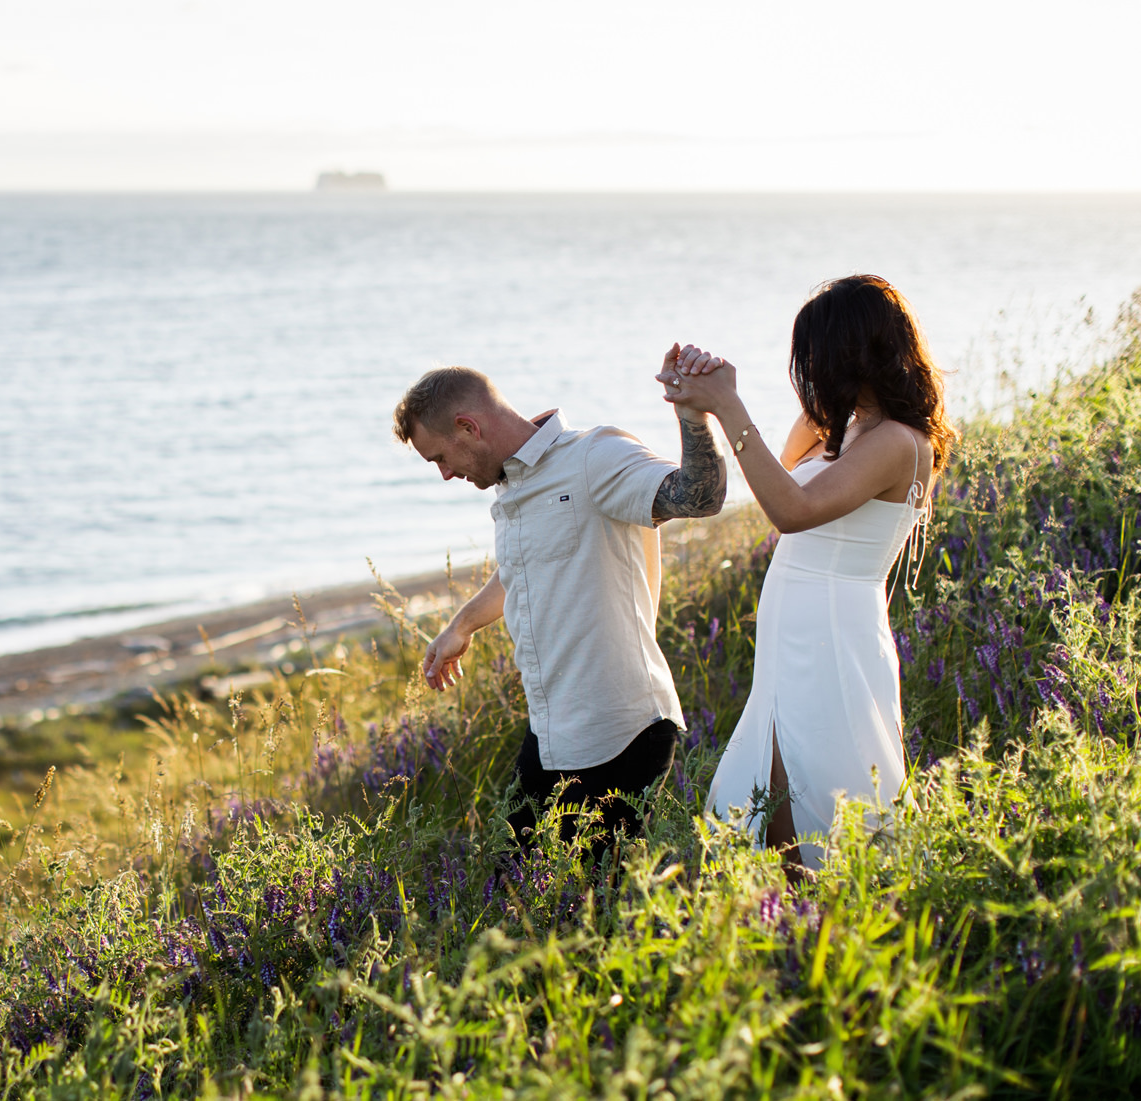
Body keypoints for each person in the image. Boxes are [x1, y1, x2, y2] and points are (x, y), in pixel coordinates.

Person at [659, 274, 957, 874]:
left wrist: (730, 404)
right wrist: (699, 404)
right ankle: (788, 930)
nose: (808, 367)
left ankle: (823, 930)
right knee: (768, 798)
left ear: (855, 352)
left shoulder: (901, 443)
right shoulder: (841, 428)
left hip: (831, 631)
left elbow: (792, 512)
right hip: (792, 631)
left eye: (817, 352)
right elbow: (772, 473)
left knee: (821, 791)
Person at [392, 358, 728, 856]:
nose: (444, 474)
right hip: (552, 733)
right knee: (521, 887)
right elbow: (522, 568)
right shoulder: (514, 485)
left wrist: (694, 415)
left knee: (600, 900)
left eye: (440, 457)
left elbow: (701, 497)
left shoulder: (594, 456)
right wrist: (461, 625)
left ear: (468, 427)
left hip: (620, 730)